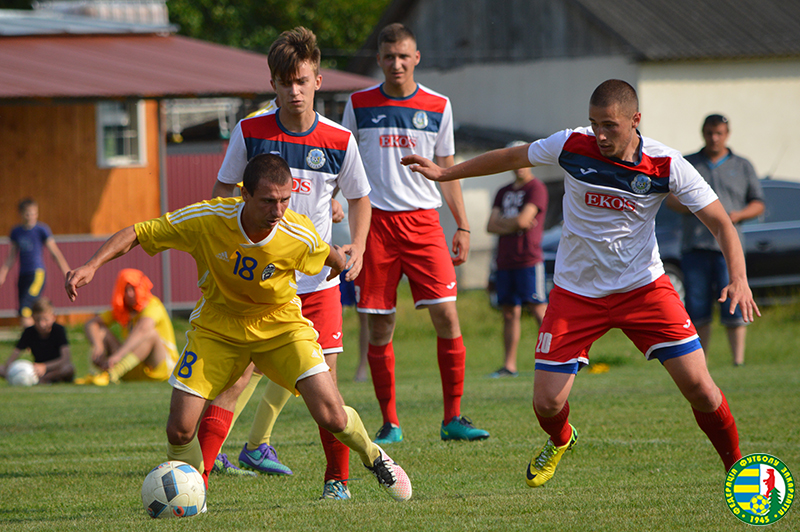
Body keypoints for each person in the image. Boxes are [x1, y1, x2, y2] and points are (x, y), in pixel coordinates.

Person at [401, 79, 759, 487]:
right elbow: (511, 156)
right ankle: (562, 438)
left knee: (701, 388)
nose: (600, 134)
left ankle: (738, 469)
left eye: (610, 125)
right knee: (547, 403)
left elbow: (720, 223)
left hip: (643, 289)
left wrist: (740, 277)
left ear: (635, 120)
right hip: (576, 293)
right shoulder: (572, 144)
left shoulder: (667, 164)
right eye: (594, 124)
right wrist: (446, 173)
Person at [65, 154, 412, 503]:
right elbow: (138, 232)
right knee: (180, 428)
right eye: (268, 201)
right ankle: (192, 500)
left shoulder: (298, 230)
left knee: (332, 415)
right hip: (217, 328)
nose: (278, 211)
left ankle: (374, 456)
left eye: (284, 200)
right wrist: (92, 266)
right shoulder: (208, 219)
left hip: (281, 327)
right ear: (244, 195)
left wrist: (343, 262)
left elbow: (328, 255)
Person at [207, 26, 374, 500]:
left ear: (317, 81)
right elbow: (223, 193)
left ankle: (336, 482)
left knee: (328, 391)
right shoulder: (251, 131)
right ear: (274, 84)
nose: (294, 90)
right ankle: (195, 478)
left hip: (318, 282)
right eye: (285, 82)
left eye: (302, 80)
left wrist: (357, 247)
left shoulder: (340, 140)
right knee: (237, 377)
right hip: (260, 284)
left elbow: (361, 198)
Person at [341, 23, 489, 445]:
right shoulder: (359, 103)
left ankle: (453, 418)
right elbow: (344, 160)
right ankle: (390, 423)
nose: (396, 64)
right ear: (379, 60)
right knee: (380, 325)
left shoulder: (438, 104)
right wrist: (333, 197)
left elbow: (449, 168)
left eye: (403, 56)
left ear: (416, 57)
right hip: (377, 226)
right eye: (389, 57)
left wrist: (461, 223)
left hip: (424, 222)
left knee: (447, 313)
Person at [666, 114, 764, 367]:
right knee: (697, 307)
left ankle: (738, 361)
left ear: (727, 134)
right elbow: (670, 199)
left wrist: (736, 216)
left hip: (728, 249)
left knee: (735, 302)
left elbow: (758, 203)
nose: (714, 138)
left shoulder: (742, 165)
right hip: (695, 246)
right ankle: (701, 362)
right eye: (710, 133)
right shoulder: (688, 163)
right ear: (703, 133)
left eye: (719, 133)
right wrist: (698, 209)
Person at [486, 141, 549, 378]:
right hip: (505, 260)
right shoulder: (503, 191)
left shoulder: (536, 188)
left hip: (529, 259)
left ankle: (556, 359)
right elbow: (490, 225)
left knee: (538, 309)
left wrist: (508, 223)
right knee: (509, 312)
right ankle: (509, 365)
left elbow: (525, 221)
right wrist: (513, 224)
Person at [75, 269, 179, 386]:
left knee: (150, 333)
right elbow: (91, 324)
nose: (129, 294)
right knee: (101, 332)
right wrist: (98, 347)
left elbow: (143, 329)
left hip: (160, 369)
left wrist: (118, 355)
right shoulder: (123, 309)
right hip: (131, 366)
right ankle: (100, 372)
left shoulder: (153, 304)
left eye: (133, 289)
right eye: (126, 289)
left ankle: (112, 374)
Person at [0, 199, 70, 328]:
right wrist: (3, 274)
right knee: (26, 308)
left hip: (37, 273)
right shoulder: (16, 232)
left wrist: (67, 271)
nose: (31, 217)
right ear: (21, 214)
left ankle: (31, 340)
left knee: (25, 306)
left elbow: (55, 252)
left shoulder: (41, 230)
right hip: (23, 274)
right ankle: (36, 337)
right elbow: (11, 256)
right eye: (28, 214)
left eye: (34, 213)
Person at [0, 297, 74, 384]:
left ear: (53, 317)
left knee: (68, 368)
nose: (41, 324)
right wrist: (8, 368)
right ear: (33, 318)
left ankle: (46, 379)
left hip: (55, 368)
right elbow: (15, 354)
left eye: (45, 319)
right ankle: (29, 379)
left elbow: (65, 358)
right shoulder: (29, 332)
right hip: (36, 371)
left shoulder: (59, 330)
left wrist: (45, 367)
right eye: (37, 320)